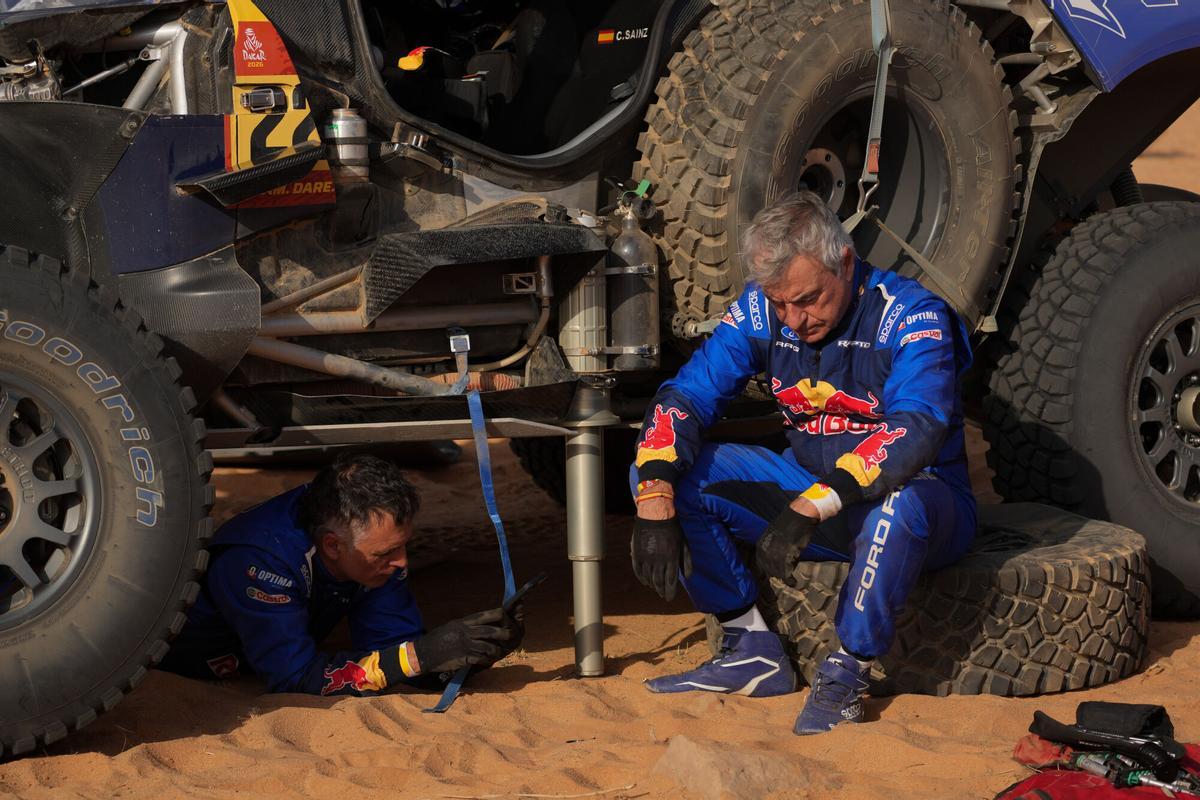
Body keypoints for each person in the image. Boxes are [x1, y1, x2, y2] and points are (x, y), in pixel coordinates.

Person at [629, 190, 976, 734]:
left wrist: (814, 505)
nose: (793, 320)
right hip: (811, 493)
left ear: (844, 260)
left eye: (808, 299)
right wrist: (653, 494)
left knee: (899, 506)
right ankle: (748, 646)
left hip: (921, 505)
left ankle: (847, 673)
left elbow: (915, 427)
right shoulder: (761, 309)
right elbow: (687, 396)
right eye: (779, 303)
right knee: (665, 474)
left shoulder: (912, 315)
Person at [160, 454, 523, 696]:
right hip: (177, 674)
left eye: (403, 546)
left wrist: (468, 653)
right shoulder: (261, 560)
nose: (402, 563)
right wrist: (421, 655)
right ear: (333, 546)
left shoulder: (370, 556)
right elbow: (293, 676)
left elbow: (388, 656)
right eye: (387, 552)